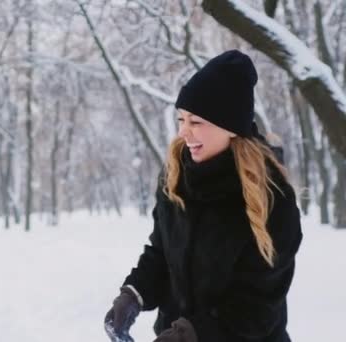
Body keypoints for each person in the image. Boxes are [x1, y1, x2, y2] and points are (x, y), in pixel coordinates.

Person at [104, 50, 302, 342]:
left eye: (196, 122)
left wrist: (191, 335)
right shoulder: (175, 176)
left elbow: (258, 306)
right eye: (182, 119)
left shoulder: (271, 197)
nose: (184, 131)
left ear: (229, 127)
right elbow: (162, 254)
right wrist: (133, 295)